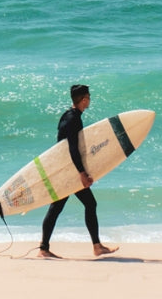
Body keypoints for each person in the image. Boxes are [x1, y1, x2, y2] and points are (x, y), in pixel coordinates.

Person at [38, 84, 118, 258]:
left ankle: (44, 248)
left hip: (64, 168)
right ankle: (97, 247)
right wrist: (81, 173)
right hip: (70, 171)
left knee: (57, 207)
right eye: (88, 97)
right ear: (83, 99)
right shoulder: (74, 119)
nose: (89, 100)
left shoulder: (67, 115)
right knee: (89, 204)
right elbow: (72, 148)